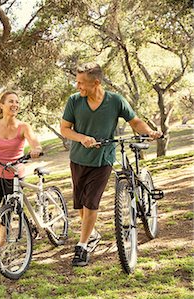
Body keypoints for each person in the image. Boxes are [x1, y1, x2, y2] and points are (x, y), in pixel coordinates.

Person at [60, 62, 162, 267]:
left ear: (96, 82)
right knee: (81, 204)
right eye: (77, 82)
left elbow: (134, 122)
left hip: (103, 159)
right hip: (78, 159)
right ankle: (91, 233)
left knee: (91, 203)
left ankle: (82, 246)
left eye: (81, 83)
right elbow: (65, 129)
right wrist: (82, 138)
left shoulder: (115, 101)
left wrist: (148, 132)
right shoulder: (74, 101)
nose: (77, 86)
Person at [0, 91, 42, 233]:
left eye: (17, 102)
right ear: (1, 105)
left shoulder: (23, 127)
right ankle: (2, 231)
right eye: (11, 101)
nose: (15, 104)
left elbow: (36, 144)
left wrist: (36, 150)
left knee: (11, 210)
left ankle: (1, 244)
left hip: (15, 175)